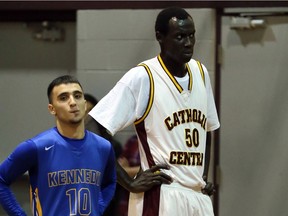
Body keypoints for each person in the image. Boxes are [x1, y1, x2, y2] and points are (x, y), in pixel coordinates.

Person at [89, 6, 220, 216]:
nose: (188, 43)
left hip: (198, 197)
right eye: (180, 36)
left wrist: (202, 176)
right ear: (160, 37)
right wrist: (128, 182)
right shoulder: (143, 76)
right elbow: (93, 131)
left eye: (191, 35)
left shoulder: (201, 73)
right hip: (162, 194)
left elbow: (207, 128)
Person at [0, 75, 116, 216]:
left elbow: (110, 182)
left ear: (85, 105)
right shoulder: (36, 147)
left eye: (77, 96)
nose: (72, 102)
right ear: (52, 109)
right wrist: (18, 214)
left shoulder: (104, 147)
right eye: (63, 98)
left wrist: (99, 206)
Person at [84, 93, 123, 216]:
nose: (87, 116)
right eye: (84, 110)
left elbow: (115, 176)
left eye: (91, 110)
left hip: (105, 203)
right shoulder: (62, 143)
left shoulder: (110, 145)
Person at [117, 135, 140, 216]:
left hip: (150, 198)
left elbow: (156, 170)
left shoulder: (160, 141)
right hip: (128, 198)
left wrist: (128, 170)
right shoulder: (133, 140)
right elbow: (119, 171)